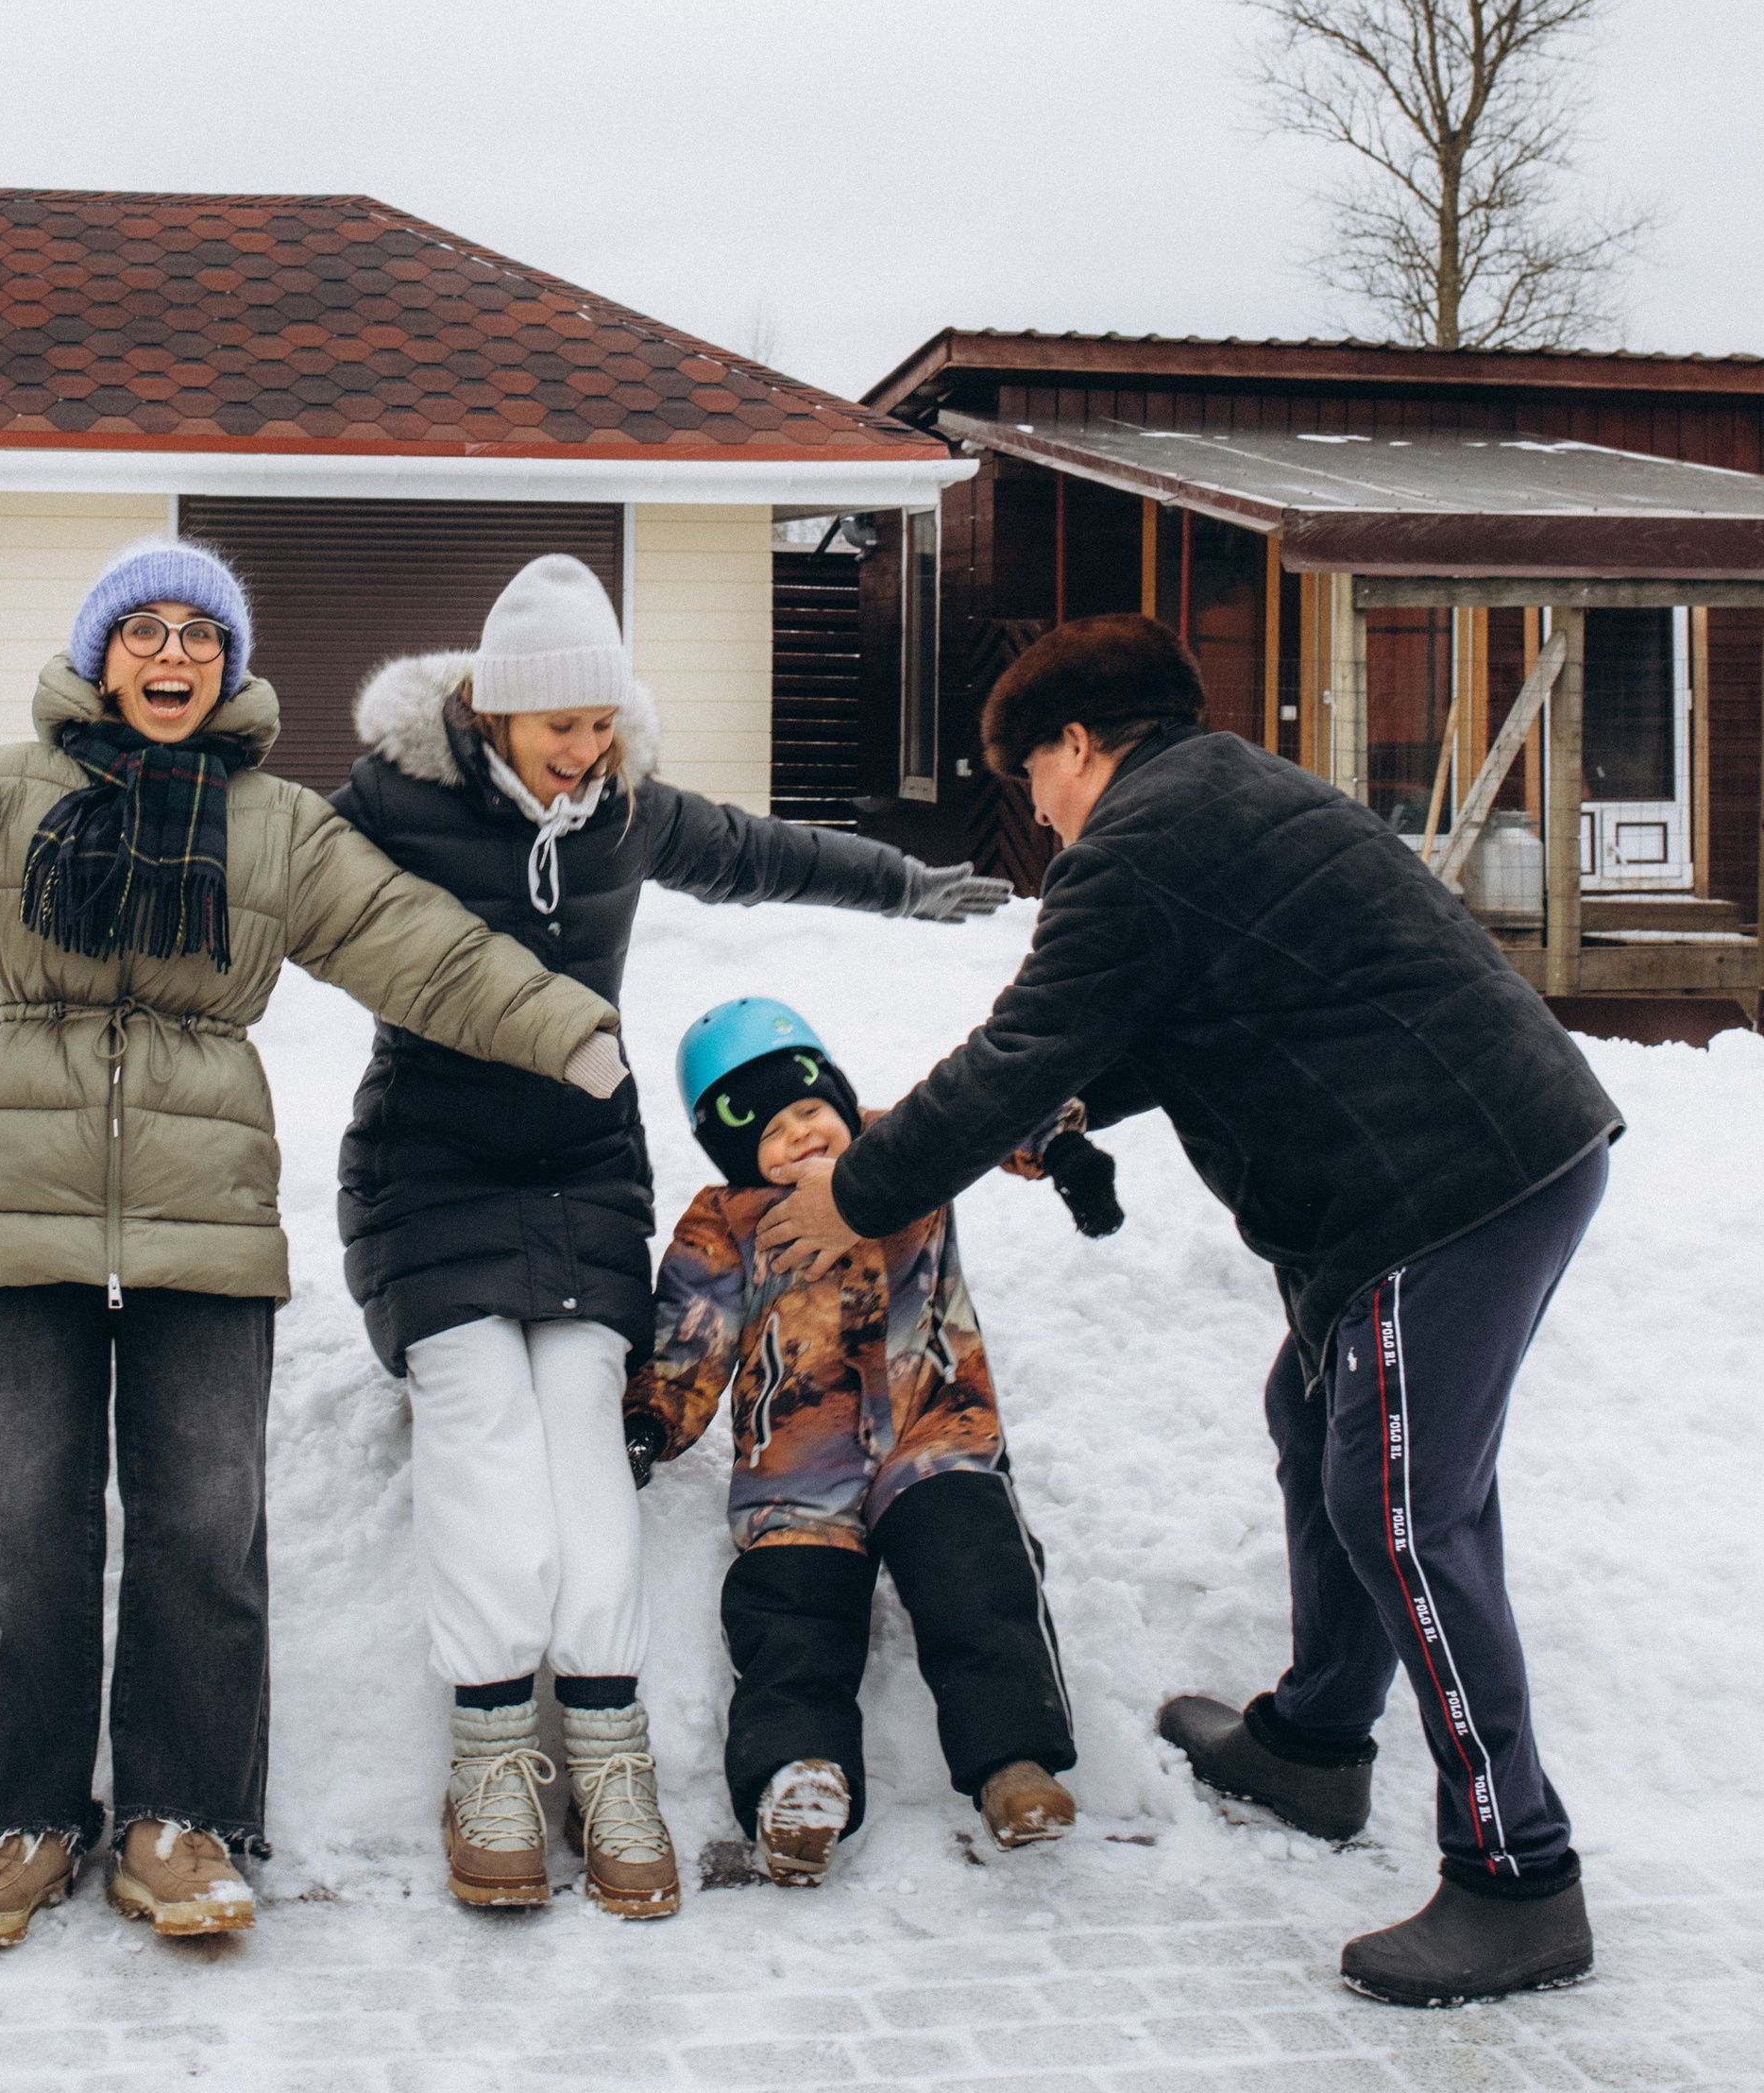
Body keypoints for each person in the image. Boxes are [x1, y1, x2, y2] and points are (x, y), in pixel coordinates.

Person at [0, 536, 623, 1955]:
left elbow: (418, 944)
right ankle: (25, 1819)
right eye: (143, 632)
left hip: (207, 1217)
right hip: (21, 1201)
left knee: (206, 1524)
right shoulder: (4, 794)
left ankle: (182, 1820)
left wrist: (560, 1024)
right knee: (22, 1518)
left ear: (230, 668)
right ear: (100, 655)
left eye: (199, 638)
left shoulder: (279, 825)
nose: (171, 658)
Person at [756, 609, 1621, 2009]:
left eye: (1027, 775)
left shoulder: (1140, 843)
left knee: (1404, 1508)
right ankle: (1319, 1744)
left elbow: (1021, 1046)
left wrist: (861, 1186)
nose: (1031, 812)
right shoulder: (1225, 798)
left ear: (1078, 746)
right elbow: (1187, 1014)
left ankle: (1519, 1876)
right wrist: (1064, 1103)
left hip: (1447, 1187)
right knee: (1321, 1419)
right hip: (1482, 1158)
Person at [330, 551, 1009, 1920]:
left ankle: (606, 1741)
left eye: (605, 723)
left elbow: (764, 853)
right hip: (430, 1171)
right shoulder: (390, 803)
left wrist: (904, 886)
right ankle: (489, 1756)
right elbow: (268, 879)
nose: (588, 751)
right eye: (563, 725)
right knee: (478, 1419)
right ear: (495, 711)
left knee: (584, 1425)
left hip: (583, 1169)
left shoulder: (625, 811)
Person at [623, 996, 1076, 1884]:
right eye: (770, 1130)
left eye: (809, 1110)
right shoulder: (723, 1222)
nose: (800, 1136)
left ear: (838, 1097)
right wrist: (651, 1421)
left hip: (934, 1430)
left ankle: (1013, 1766)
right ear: (730, 1150)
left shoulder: (898, 1149)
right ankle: (798, 1782)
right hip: (797, 1465)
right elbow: (691, 1336)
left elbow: (989, 1111)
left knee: (977, 1578)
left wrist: (1059, 1145)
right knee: (789, 1618)